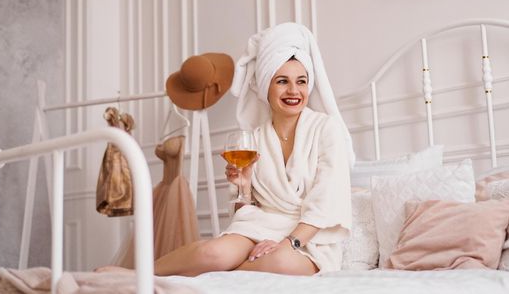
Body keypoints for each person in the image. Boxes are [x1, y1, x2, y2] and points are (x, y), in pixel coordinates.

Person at [97, 22, 353, 276]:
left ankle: (217, 271)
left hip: (307, 238)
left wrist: (288, 242)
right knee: (213, 253)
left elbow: (326, 202)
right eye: (282, 81)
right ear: (266, 86)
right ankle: (138, 274)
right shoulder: (253, 139)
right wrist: (243, 187)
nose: (294, 91)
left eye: (301, 81)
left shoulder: (327, 129)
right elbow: (244, 211)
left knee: (278, 263)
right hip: (259, 226)